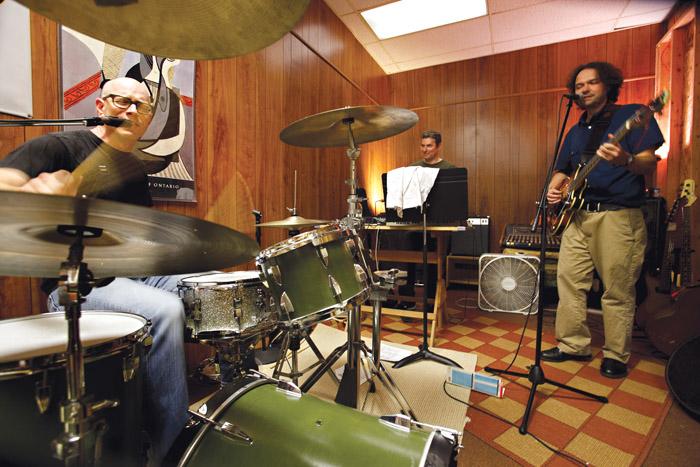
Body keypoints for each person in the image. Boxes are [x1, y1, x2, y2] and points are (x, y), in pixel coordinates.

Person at [0, 77, 189, 464]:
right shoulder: (58, 145)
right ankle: (172, 448)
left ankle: (227, 391)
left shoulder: (133, 169)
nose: (133, 111)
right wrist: (31, 195)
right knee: (166, 310)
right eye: (123, 102)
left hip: (130, 273)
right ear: (101, 106)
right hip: (76, 281)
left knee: (196, 286)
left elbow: (139, 237)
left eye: (142, 106)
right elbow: (5, 186)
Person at [542, 62, 663, 378]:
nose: (583, 89)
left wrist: (627, 159)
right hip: (578, 215)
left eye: (591, 83)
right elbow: (563, 169)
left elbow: (649, 163)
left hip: (618, 216)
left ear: (608, 85)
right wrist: (555, 189)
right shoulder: (576, 130)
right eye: (579, 85)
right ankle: (572, 345)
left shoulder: (633, 115)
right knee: (568, 281)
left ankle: (616, 354)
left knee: (617, 288)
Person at [384, 130, 455, 311]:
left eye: (429, 145)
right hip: (415, 225)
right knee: (409, 262)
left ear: (438, 146)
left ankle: (431, 304)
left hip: (438, 227)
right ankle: (407, 299)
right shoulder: (412, 168)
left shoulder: (449, 169)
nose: (425, 150)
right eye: (422, 146)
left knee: (434, 266)